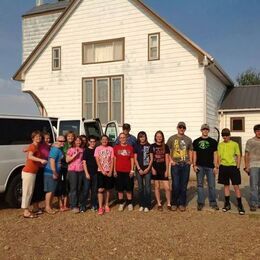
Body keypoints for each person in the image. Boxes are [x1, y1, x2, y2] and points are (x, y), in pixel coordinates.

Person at [217, 128, 245, 215]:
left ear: (229, 135)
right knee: (226, 186)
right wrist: (218, 165)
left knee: (236, 186)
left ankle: (240, 205)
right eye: (223, 135)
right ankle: (227, 204)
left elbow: (239, 155)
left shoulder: (235, 144)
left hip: (233, 167)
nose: (225, 137)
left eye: (226, 135)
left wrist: (238, 166)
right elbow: (219, 155)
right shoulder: (220, 145)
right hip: (223, 167)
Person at [167, 122, 193, 212]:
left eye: (183, 127)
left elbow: (190, 150)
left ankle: (182, 203)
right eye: (180, 127)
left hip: (185, 165)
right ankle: (174, 203)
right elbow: (167, 150)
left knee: (183, 185)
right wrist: (171, 160)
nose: (181, 129)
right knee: (175, 184)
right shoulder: (172, 138)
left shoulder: (188, 139)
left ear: (185, 129)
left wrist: (190, 161)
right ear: (177, 128)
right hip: (176, 165)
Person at [21, 131, 47, 218]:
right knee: (27, 191)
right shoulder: (33, 146)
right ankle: (26, 211)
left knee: (30, 191)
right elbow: (30, 156)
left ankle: (30, 209)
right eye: (36, 137)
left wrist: (27, 149)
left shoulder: (35, 146)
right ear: (33, 138)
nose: (38, 138)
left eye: (39, 137)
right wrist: (41, 160)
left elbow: (29, 150)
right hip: (29, 171)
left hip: (33, 172)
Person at [193, 124, 219, 211]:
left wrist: (216, 166)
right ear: (201, 130)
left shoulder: (213, 141)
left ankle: (213, 202)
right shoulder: (196, 141)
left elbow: (215, 154)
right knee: (200, 185)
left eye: (206, 129)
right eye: (203, 129)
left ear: (208, 131)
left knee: (211, 185)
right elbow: (194, 154)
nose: (205, 131)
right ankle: (200, 202)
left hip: (210, 167)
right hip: (199, 166)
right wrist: (194, 165)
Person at [150, 130, 171, 211]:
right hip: (155, 169)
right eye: (157, 136)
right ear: (155, 137)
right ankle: (159, 203)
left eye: (160, 136)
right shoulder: (152, 146)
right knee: (157, 187)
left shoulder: (165, 146)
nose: (159, 138)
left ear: (162, 137)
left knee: (167, 188)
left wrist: (167, 170)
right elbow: (150, 159)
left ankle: (169, 203)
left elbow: (167, 159)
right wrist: (152, 169)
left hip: (163, 169)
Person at [31, 132, 51, 214]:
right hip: (38, 168)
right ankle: (35, 207)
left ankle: (38, 206)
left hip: (44, 168)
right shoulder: (39, 146)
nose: (48, 139)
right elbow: (31, 151)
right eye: (46, 138)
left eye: (49, 138)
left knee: (40, 188)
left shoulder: (48, 146)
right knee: (36, 187)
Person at [44, 136, 65, 214]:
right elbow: (52, 161)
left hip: (54, 172)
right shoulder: (55, 150)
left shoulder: (58, 149)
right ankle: (47, 207)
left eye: (63, 141)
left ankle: (50, 206)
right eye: (60, 141)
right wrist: (54, 172)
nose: (62, 142)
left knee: (52, 190)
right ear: (57, 141)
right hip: (50, 172)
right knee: (49, 190)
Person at [114, 133, 135, 211]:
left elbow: (132, 159)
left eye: (124, 137)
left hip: (128, 171)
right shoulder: (116, 148)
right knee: (120, 189)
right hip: (119, 171)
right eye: (121, 138)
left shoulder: (130, 148)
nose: (122, 139)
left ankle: (129, 203)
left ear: (126, 138)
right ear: (119, 139)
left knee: (129, 188)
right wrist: (114, 170)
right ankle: (121, 203)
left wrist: (132, 170)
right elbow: (114, 159)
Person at [94, 135, 114, 215]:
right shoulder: (97, 148)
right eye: (103, 139)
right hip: (100, 171)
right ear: (101, 140)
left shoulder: (111, 149)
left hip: (109, 171)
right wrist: (102, 170)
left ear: (108, 140)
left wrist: (110, 171)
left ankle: (106, 205)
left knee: (107, 189)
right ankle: (100, 207)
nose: (105, 141)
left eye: (106, 139)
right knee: (100, 189)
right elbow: (97, 160)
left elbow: (112, 160)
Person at [66, 136, 87, 213]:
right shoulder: (70, 150)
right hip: (73, 170)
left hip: (81, 170)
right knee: (73, 188)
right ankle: (73, 205)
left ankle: (77, 204)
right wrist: (75, 154)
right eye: (77, 141)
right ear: (74, 142)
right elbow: (67, 160)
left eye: (79, 141)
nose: (78, 142)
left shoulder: (83, 150)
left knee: (79, 188)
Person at [56, 131, 75, 211]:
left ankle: (65, 204)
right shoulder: (63, 145)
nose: (70, 138)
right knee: (60, 185)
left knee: (68, 185)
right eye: (68, 136)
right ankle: (61, 205)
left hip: (70, 168)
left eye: (72, 136)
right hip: (62, 167)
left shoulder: (74, 145)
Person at [134, 131, 153, 212]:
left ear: (146, 137)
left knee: (148, 187)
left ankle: (147, 205)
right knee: (140, 188)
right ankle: (141, 204)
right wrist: (139, 169)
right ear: (139, 138)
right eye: (140, 136)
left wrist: (148, 168)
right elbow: (135, 159)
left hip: (147, 170)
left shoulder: (149, 146)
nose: (142, 138)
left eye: (143, 136)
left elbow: (152, 158)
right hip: (139, 170)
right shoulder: (136, 146)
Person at [244, 124, 260, 211]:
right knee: (254, 186)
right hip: (253, 165)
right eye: (257, 131)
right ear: (255, 132)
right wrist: (246, 166)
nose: (259, 132)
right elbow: (246, 154)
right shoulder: (250, 141)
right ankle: (253, 203)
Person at [83, 135, 98, 211]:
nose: (92, 143)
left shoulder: (96, 150)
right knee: (86, 190)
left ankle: (94, 204)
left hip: (95, 173)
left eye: (94, 141)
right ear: (88, 142)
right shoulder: (86, 150)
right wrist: (86, 173)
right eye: (91, 141)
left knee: (94, 191)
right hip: (88, 173)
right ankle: (83, 205)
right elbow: (84, 162)